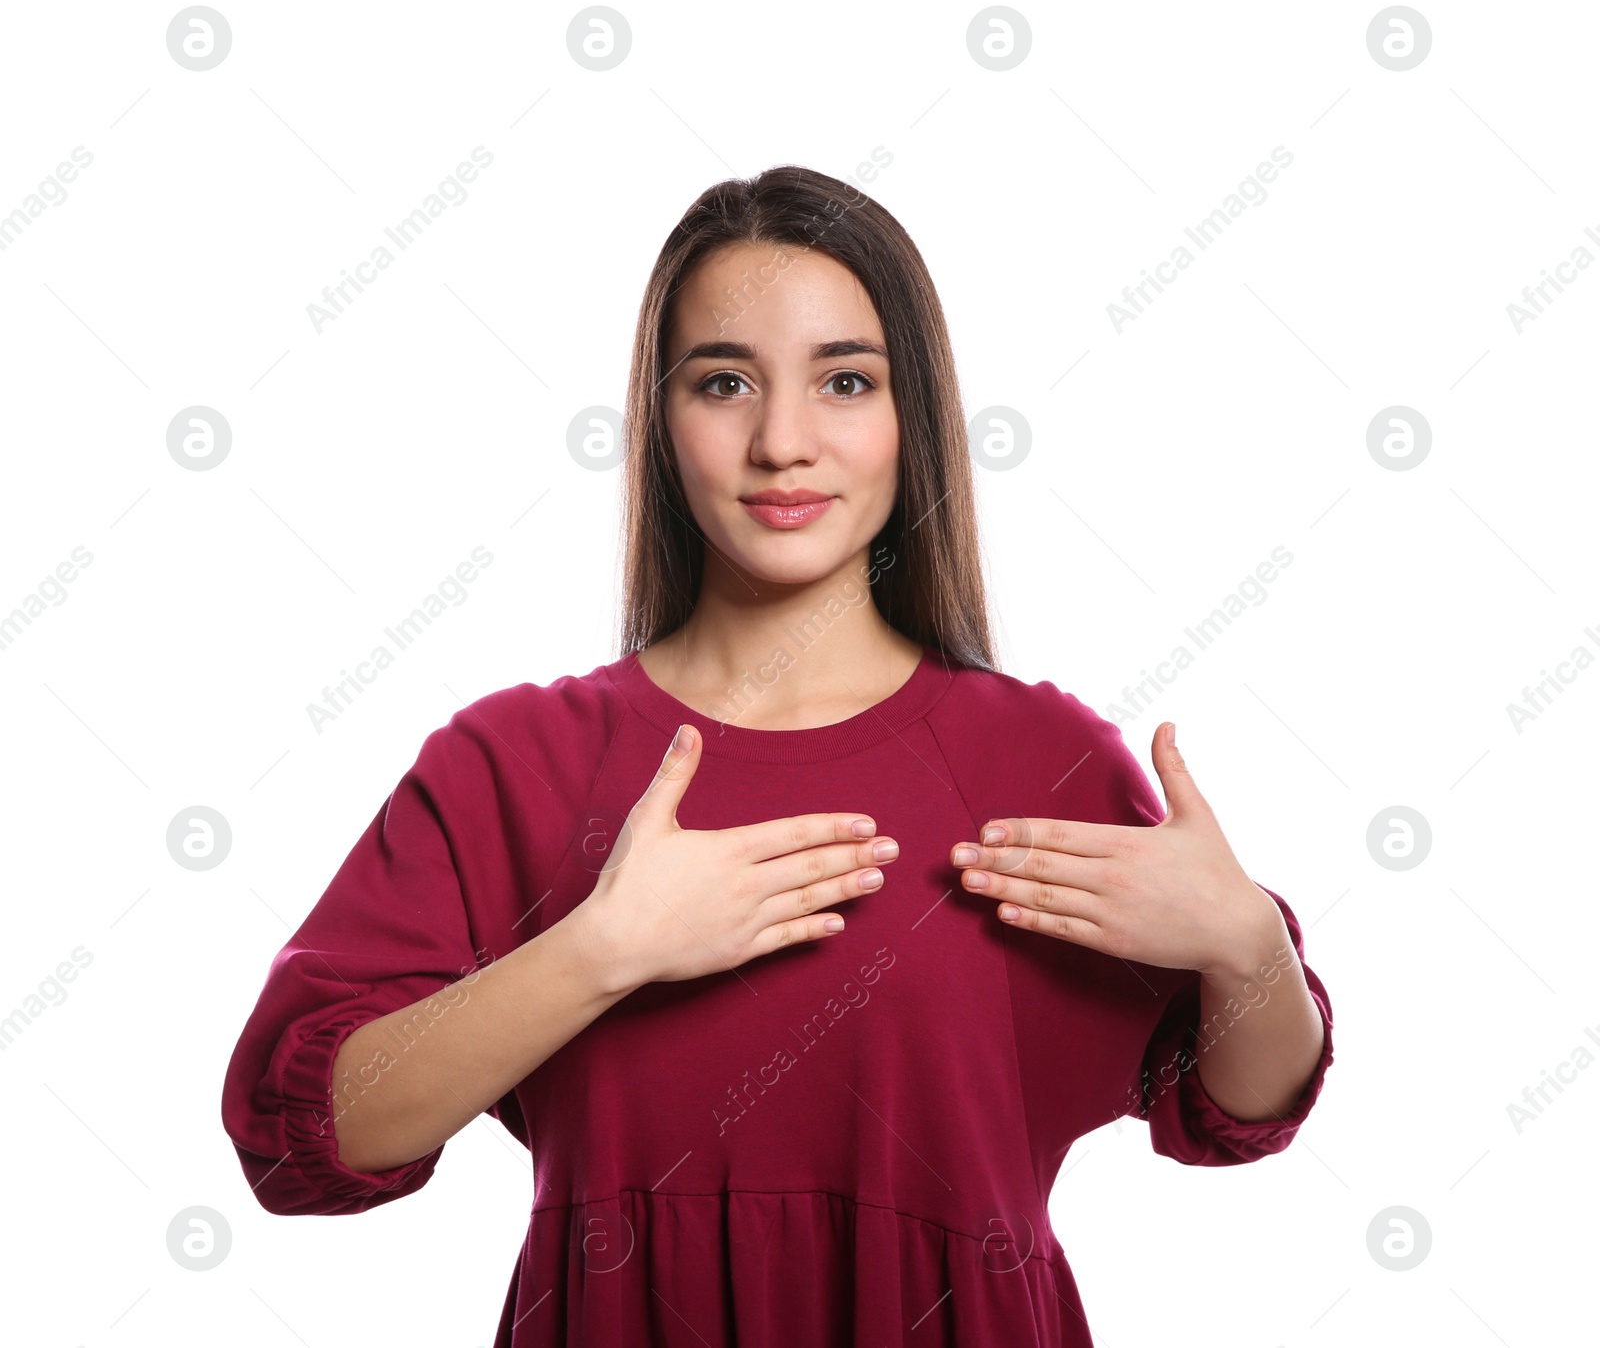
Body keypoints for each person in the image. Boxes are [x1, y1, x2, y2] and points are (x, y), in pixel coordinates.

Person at [220, 165, 1334, 1347]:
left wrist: (1245, 944)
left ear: (918, 419)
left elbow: (1235, 1106)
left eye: (845, 380)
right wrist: (603, 948)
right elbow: (309, 1137)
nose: (781, 442)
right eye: (723, 382)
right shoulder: (516, 760)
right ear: (660, 420)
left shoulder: (1037, 755)